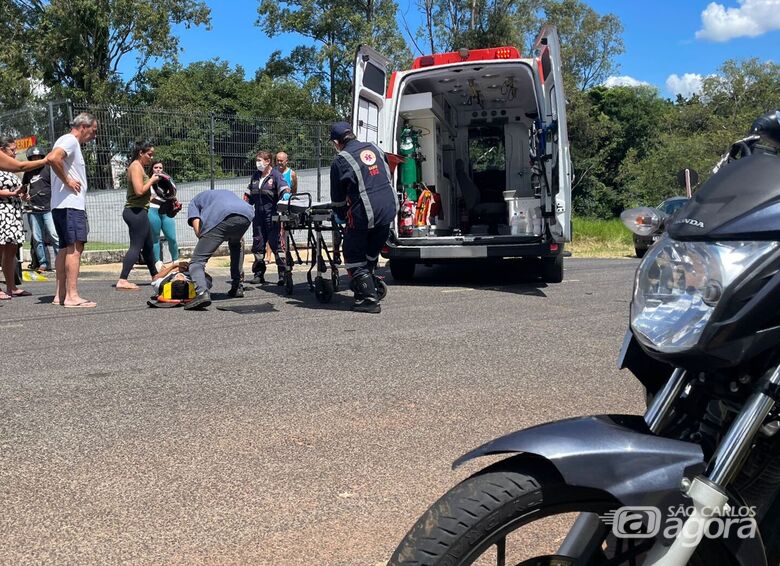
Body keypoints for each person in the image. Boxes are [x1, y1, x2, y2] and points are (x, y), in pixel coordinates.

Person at [329, 122, 398, 313]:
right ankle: (366, 286)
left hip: (365, 213)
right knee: (370, 253)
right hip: (388, 210)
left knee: (353, 254)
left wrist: (341, 217)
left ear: (336, 142)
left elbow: (338, 199)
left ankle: (368, 299)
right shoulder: (375, 147)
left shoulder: (340, 160)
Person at [48, 111, 99, 308]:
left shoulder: (68, 141)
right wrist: (68, 180)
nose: (94, 136)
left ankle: (60, 295)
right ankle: (72, 296)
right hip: (70, 205)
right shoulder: (70, 140)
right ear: (83, 127)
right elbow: (53, 158)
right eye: (93, 131)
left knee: (65, 249)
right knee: (75, 249)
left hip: (61, 205)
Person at [185, 189, 254, 310]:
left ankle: (201, 293)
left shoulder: (194, 202)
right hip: (247, 214)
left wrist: (205, 241)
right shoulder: (220, 193)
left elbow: (197, 229)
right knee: (236, 245)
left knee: (197, 261)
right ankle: (237, 287)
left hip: (222, 214)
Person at [116, 141, 159, 290]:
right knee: (136, 246)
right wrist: (153, 180)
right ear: (141, 153)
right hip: (135, 211)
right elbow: (139, 190)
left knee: (148, 246)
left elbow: (144, 196)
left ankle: (155, 276)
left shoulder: (140, 167)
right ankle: (122, 279)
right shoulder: (135, 166)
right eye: (149, 154)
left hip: (140, 210)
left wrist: (166, 200)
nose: (151, 157)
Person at [244, 150, 291, 285]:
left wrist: (285, 198)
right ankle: (259, 274)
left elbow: (284, 189)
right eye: (257, 160)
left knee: (276, 244)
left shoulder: (276, 175)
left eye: (260, 160)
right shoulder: (255, 176)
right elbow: (248, 195)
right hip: (258, 215)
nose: (258, 163)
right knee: (258, 243)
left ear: (268, 161)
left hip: (273, 216)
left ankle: (283, 274)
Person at [0, 136, 33, 300]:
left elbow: (15, 190)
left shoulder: (10, 169)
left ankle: (11, 286)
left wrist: (23, 195)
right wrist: (14, 193)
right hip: (2, 213)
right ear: (2, 150)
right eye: (12, 150)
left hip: (13, 212)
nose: (15, 153)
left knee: (11, 251)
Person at [22, 146, 59, 272]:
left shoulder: (48, 169)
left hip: (48, 208)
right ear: (30, 158)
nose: (36, 159)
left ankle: (61, 262)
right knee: (37, 238)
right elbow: (24, 188)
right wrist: (24, 195)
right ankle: (43, 263)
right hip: (33, 209)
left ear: (42, 157)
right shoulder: (28, 171)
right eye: (33, 157)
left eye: (38, 157)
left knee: (54, 235)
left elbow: (55, 186)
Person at [148, 160, 179, 265]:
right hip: (152, 210)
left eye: (160, 168)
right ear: (152, 169)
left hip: (165, 211)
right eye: (156, 167)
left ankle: (176, 260)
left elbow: (172, 193)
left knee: (172, 237)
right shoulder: (148, 180)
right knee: (155, 238)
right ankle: (157, 262)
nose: (158, 170)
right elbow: (147, 198)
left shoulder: (167, 180)